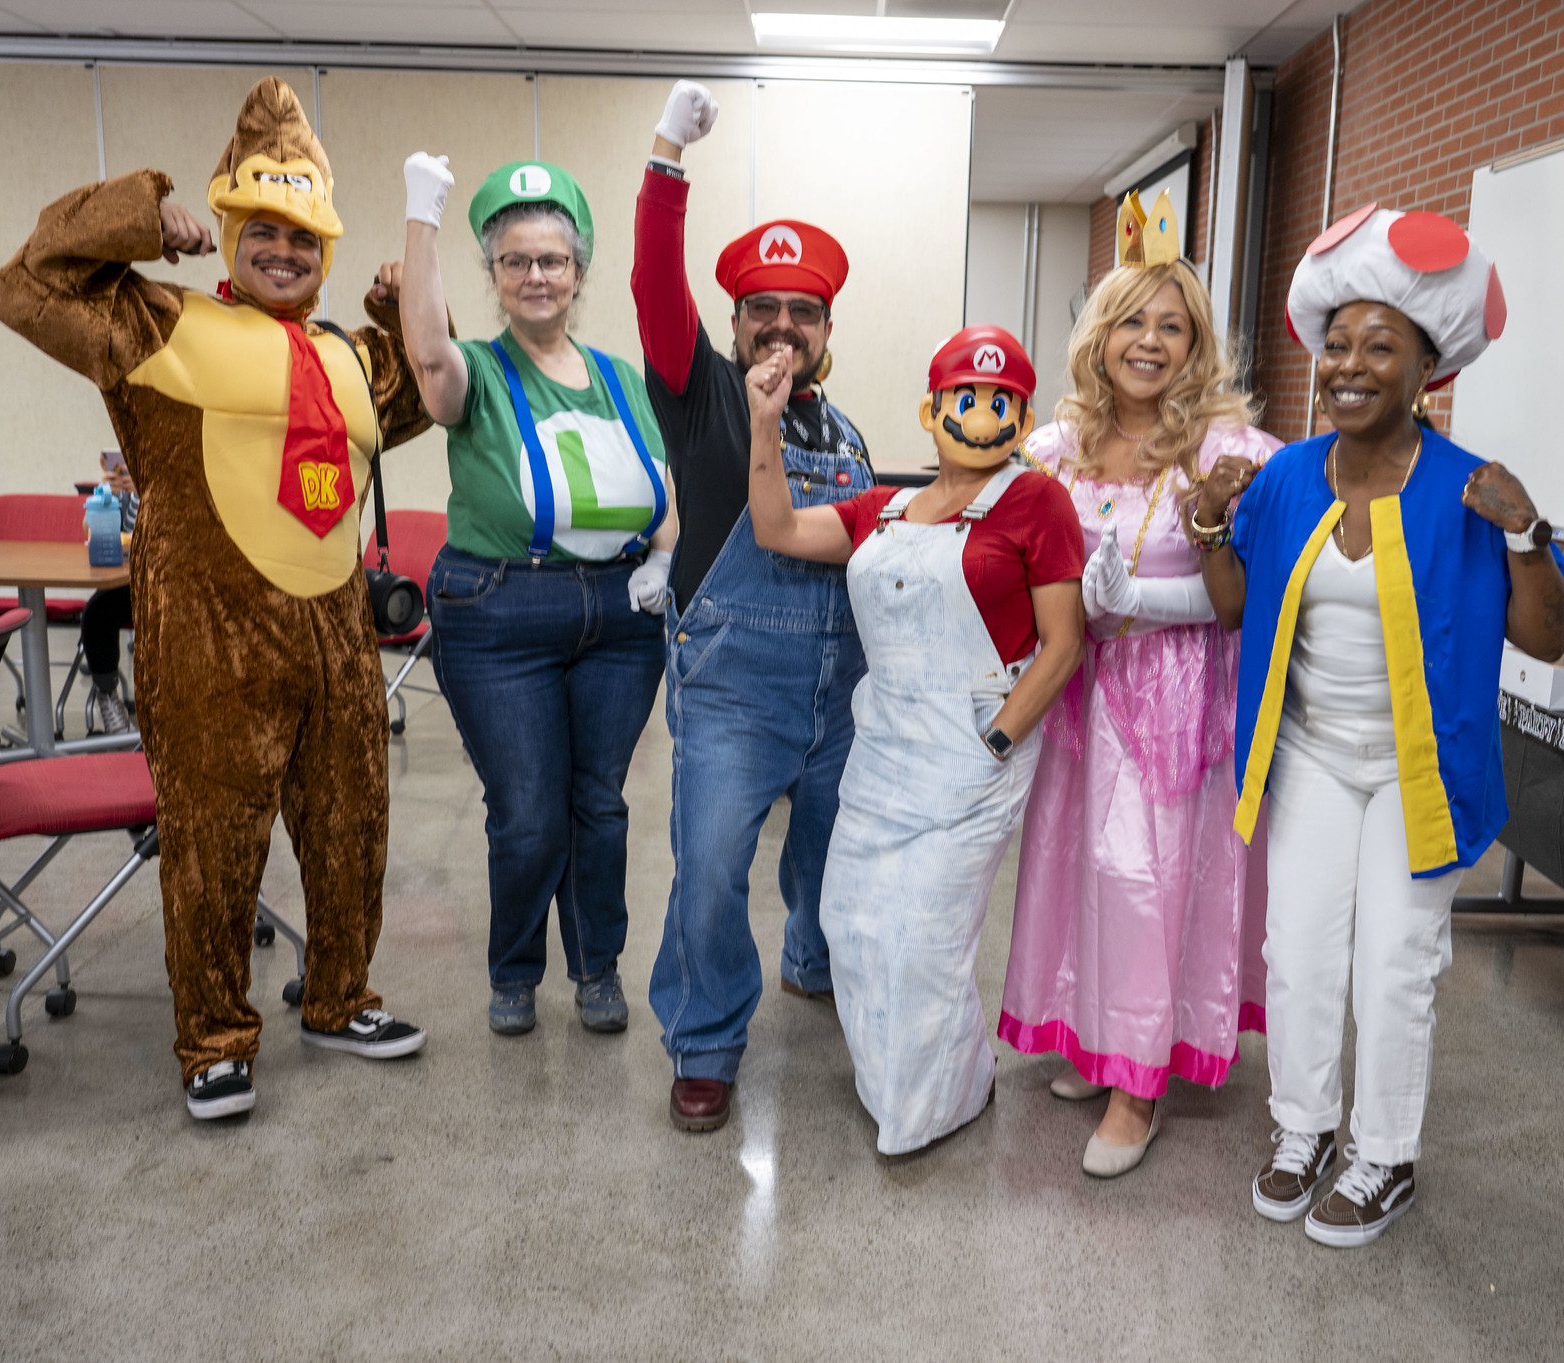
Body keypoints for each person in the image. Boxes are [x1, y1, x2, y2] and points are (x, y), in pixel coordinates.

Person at [0, 78, 431, 1122]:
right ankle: (215, 1040)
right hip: (210, 639)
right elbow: (21, 286)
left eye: (305, 240)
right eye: (264, 233)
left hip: (335, 635)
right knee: (213, 845)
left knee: (351, 829)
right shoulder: (150, 321)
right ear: (229, 232)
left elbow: (419, 388)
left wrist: (392, 300)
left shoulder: (347, 355)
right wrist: (135, 216)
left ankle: (338, 995)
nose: (285, 253)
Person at [1197, 205, 1564, 1245]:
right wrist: (1203, 522)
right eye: (1337, 345)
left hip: (1422, 769)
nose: (1349, 364)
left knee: (1393, 964)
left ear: (1425, 371)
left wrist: (1529, 534)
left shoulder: (1469, 488)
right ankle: (1301, 1128)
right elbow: (1234, 607)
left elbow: (1543, 637)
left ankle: (1383, 1155)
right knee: (1297, 953)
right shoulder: (1281, 478)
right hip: (1313, 758)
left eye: (1379, 347)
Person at [997, 191, 1280, 1178]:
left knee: (1144, 881)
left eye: (1171, 325)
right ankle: (1098, 1033)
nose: (1148, 342)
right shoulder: (1052, 448)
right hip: (1076, 697)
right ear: (1098, 335)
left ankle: (1139, 1082)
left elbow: (1253, 598)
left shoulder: (1233, 453)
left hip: (1173, 701)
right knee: (1077, 868)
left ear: (1196, 345)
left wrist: (1142, 608)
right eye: (1131, 321)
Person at [748, 326, 1085, 1156]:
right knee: (853, 919)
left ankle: (938, 1100)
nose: (982, 413)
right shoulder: (882, 508)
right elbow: (778, 530)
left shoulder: (1036, 503)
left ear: (1024, 413)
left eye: (1001, 400)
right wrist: (764, 425)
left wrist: (999, 741)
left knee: (923, 936)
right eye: (965, 398)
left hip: (974, 746)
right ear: (931, 411)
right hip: (885, 745)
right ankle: (902, 1080)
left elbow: (1064, 641)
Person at [633, 80, 876, 1133]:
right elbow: (651, 282)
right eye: (762, 311)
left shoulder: (849, 435)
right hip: (732, 690)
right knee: (711, 868)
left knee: (826, 846)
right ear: (733, 324)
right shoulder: (699, 394)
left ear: (824, 328)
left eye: (801, 312)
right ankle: (704, 1038)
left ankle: (809, 955)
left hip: (838, 692)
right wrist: (665, 160)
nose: (781, 327)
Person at [389, 152, 675, 1038]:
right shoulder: (471, 371)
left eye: (552, 258)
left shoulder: (623, 379)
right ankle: (514, 970)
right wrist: (421, 214)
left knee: (601, 803)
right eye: (515, 261)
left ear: (579, 270)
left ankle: (597, 967)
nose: (536, 275)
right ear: (495, 277)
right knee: (528, 812)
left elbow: (666, 490)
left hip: (621, 617)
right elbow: (426, 353)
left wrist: (667, 554)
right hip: (500, 613)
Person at [79, 455, 137, 734]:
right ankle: (107, 697)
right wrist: (104, 500)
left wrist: (143, 492)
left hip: (173, 583)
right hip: (127, 583)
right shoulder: (120, 494)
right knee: (96, 613)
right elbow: (89, 534)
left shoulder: (166, 485)